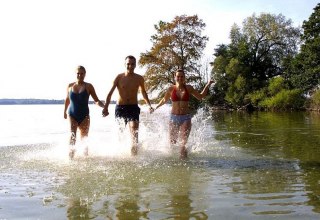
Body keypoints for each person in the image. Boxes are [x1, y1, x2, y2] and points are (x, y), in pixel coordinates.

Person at [153, 69, 214, 159]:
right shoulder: (171, 89)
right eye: (178, 76)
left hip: (186, 119)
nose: (180, 78)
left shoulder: (189, 88)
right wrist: (155, 107)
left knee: (183, 145)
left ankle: (184, 166)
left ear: (184, 78)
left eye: (182, 76)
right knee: (172, 143)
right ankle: (173, 166)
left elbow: (200, 97)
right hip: (173, 118)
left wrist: (208, 85)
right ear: (175, 77)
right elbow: (164, 100)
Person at [102, 55, 153, 155]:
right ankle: (120, 155)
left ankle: (134, 155)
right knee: (120, 132)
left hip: (133, 107)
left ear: (135, 65)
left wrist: (149, 105)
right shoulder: (119, 77)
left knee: (134, 130)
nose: (130, 66)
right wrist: (106, 107)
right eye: (128, 64)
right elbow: (110, 93)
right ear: (124, 64)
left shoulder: (139, 78)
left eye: (132, 64)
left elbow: (143, 92)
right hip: (120, 108)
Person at [64, 65, 104, 159]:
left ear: (85, 74)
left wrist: (104, 107)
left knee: (84, 139)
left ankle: (85, 158)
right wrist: (64, 112)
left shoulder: (88, 86)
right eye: (78, 73)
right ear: (75, 74)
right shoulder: (70, 86)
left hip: (85, 116)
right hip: (72, 114)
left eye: (82, 74)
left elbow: (96, 100)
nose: (80, 75)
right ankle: (71, 158)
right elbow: (67, 99)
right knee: (72, 135)